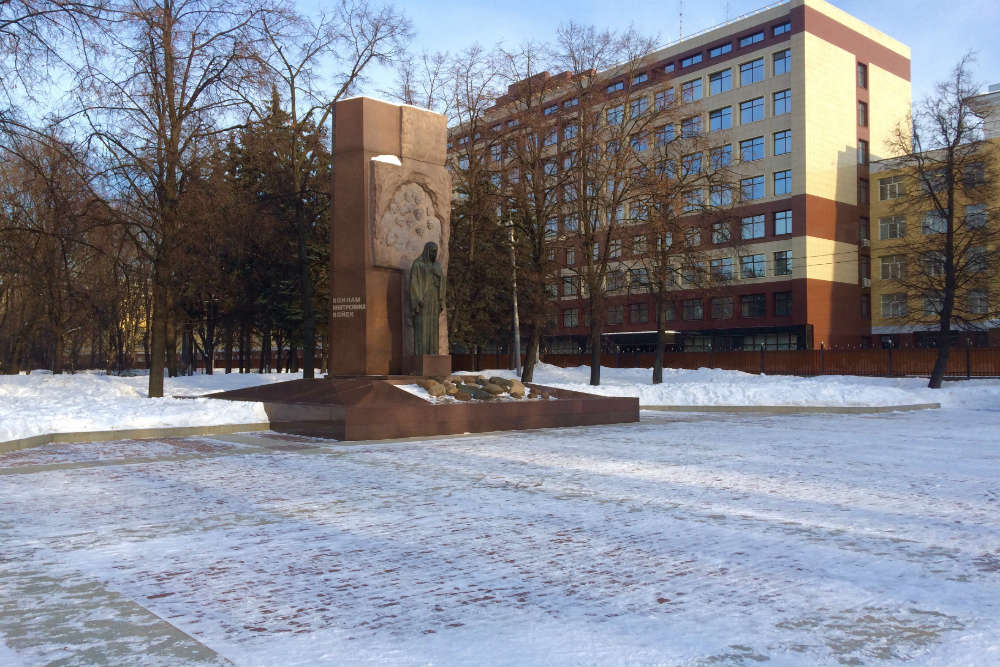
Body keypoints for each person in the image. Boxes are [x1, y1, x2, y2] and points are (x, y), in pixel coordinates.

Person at [409, 241, 444, 356]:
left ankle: (433, 352)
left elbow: (442, 282)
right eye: (433, 251)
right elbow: (414, 283)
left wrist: (441, 300)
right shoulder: (418, 264)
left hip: (434, 299)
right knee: (422, 326)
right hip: (423, 299)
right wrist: (418, 299)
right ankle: (421, 353)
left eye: (436, 251)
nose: (435, 254)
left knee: (433, 327)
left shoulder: (437, 265)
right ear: (427, 251)